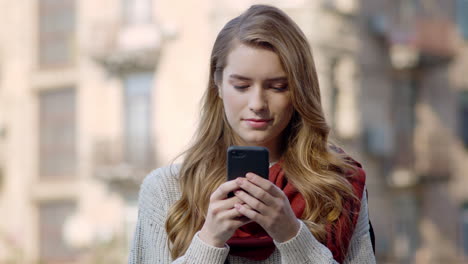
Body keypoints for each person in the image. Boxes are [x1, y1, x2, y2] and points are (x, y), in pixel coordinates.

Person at [129, 4, 376, 264]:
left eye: (278, 87)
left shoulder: (337, 185)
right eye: (242, 85)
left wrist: (292, 235)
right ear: (219, 84)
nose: (257, 103)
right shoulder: (166, 190)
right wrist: (209, 241)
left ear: (299, 92)